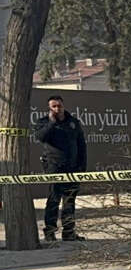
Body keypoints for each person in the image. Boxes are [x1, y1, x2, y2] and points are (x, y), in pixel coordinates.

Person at [34, 95, 87, 243]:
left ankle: (69, 232)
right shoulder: (44, 122)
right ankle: (50, 232)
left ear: (63, 106)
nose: (57, 109)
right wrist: (51, 123)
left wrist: (82, 166)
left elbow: (81, 145)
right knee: (53, 200)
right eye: (54, 106)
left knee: (69, 201)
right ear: (50, 109)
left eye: (59, 106)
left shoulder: (73, 122)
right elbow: (40, 137)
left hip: (73, 168)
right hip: (54, 167)